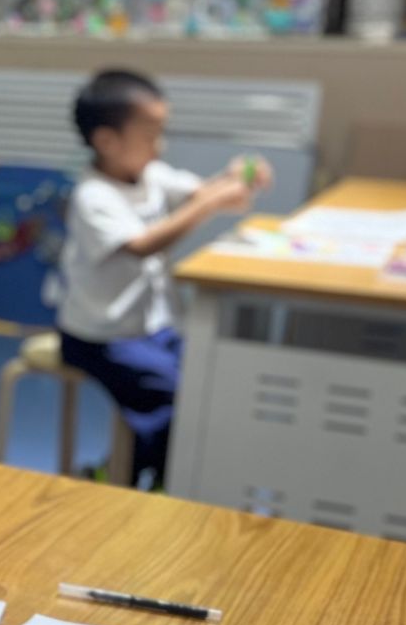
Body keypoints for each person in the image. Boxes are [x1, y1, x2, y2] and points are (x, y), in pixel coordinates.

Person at [56, 69, 266, 488]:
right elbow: (143, 245)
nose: (160, 145)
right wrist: (210, 203)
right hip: (101, 337)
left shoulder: (152, 175)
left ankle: (128, 473)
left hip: (153, 328)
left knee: (210, 385)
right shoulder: (93, 197)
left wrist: (239, 178)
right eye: (150, 135)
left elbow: (205, 193)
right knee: (174, 400)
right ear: (107, 141)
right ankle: (147, 483)